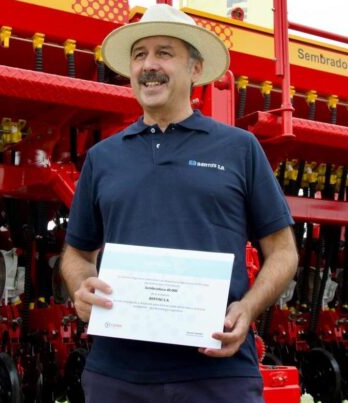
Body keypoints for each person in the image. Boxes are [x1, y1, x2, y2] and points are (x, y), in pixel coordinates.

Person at [60, 4, 298, 402]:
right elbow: (76, 253)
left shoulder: (239, 149)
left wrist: (248, 307)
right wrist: (81, 286)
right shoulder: (102, 158)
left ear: (195, 69)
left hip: (217, 372)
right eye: (139, 55)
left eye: (164, 53)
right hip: (117, 375)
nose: (149, 65)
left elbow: (283, 250)